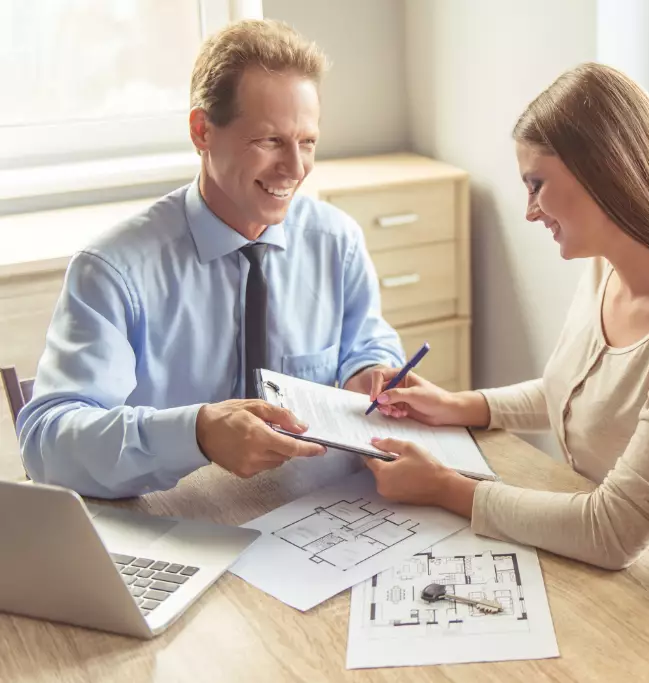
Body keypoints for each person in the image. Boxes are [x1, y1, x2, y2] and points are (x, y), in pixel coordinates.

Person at [360, 63, 649, 570]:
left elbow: (613, 530)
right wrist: (457, 405)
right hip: (585, 562)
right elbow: (567, 391)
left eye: (537, 184)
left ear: (605, 171)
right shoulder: (604, 272)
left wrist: (442, 488)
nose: (528, 210)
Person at [18, 20, 404, 499]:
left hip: (316, 518)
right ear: (202, 132)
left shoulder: (336, 240)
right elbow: (48, 445)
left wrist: (370, 371)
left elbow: (365, 343)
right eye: (269, 141)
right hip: (177, 526)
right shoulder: (114, 270)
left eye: (307, 141)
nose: (296, 168)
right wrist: (195, 433)